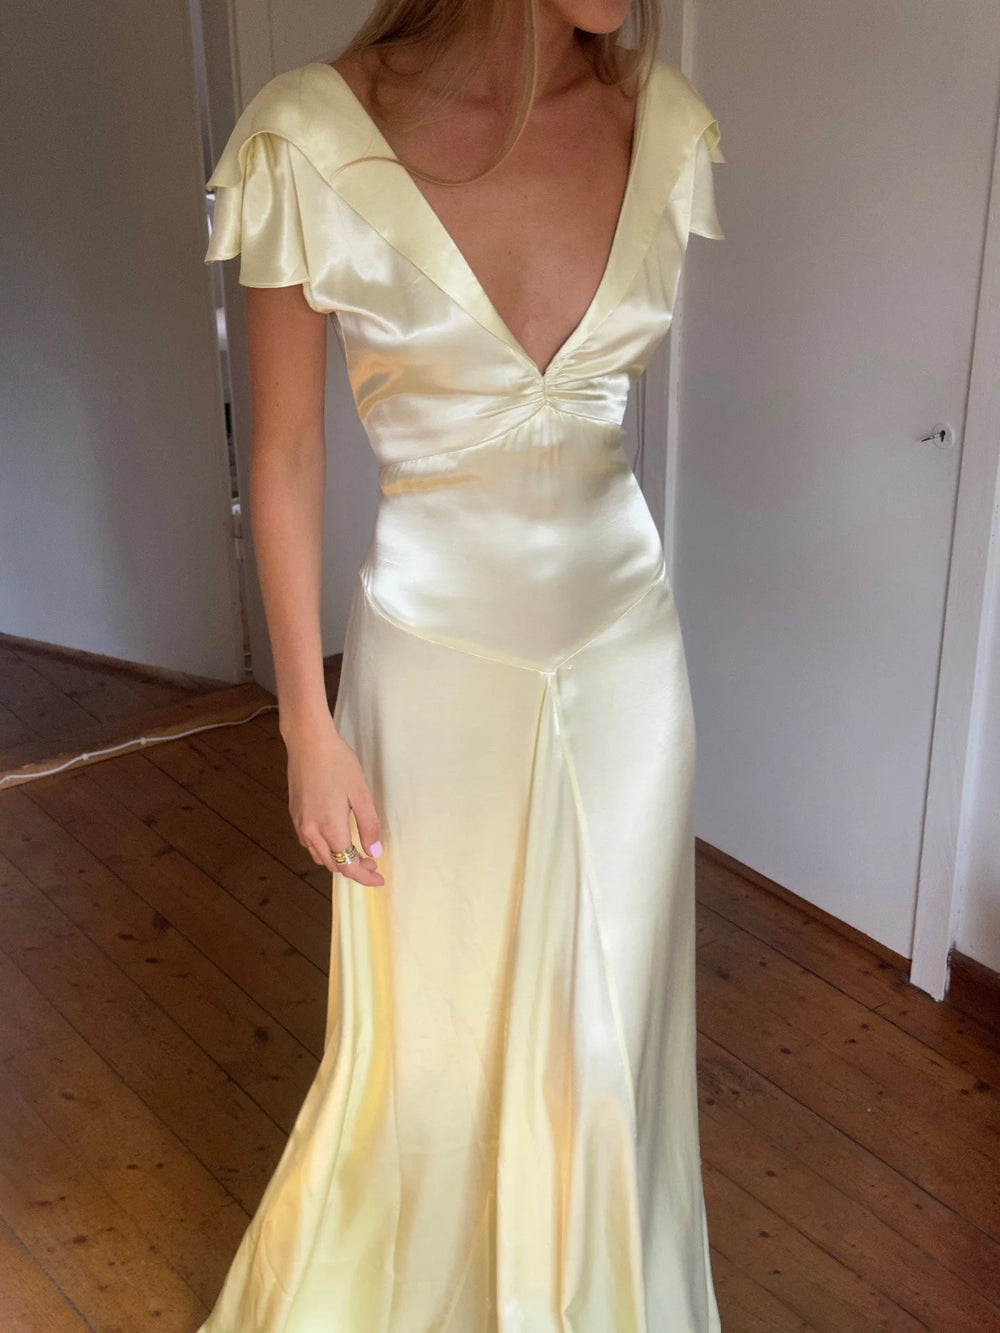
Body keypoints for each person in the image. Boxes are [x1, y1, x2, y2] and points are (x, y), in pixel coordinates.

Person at [200, 0, 726, 1328]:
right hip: (431, 680)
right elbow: (286, 453)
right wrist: (304, 727)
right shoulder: (311, 137)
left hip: (627, 670)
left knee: (604, 1044)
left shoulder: (658, 125)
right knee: (424, 1055)